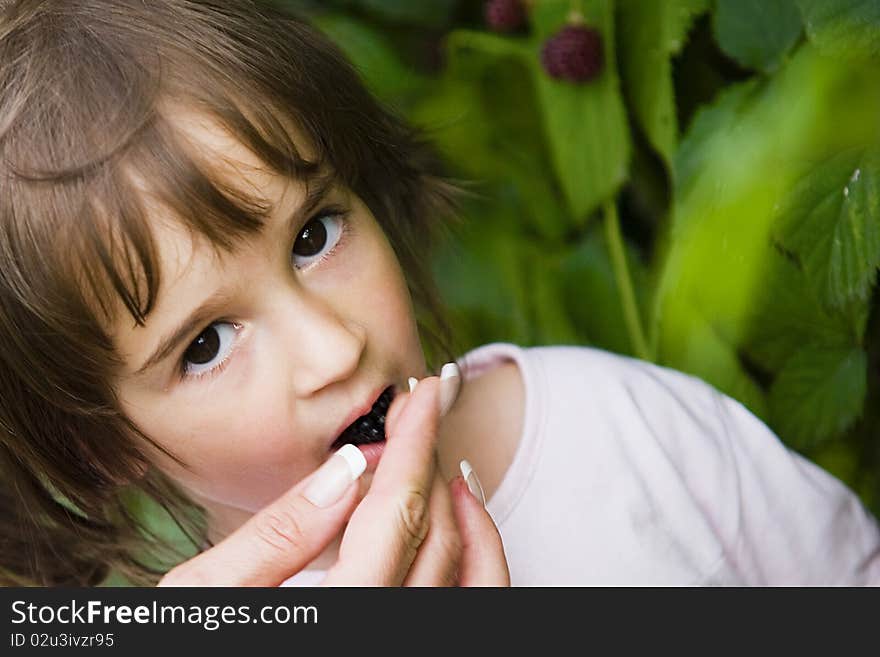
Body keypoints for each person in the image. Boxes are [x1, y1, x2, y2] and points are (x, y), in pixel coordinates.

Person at [0, 0, 877, 588]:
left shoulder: (612, 421)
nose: (335, 349)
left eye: (313, 236)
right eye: (206, 344)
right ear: (101, 445)